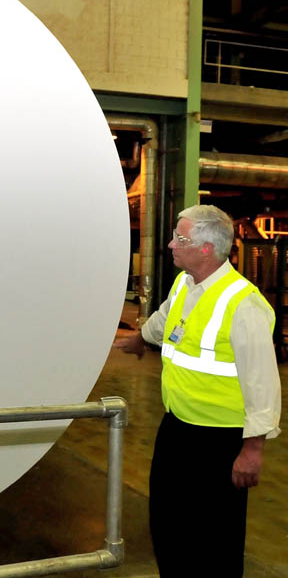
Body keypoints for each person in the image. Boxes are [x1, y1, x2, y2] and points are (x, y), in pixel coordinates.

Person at [114, 204, 282, 578]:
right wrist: (139, 339)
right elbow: (164, 322)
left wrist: (252, 450)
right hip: (177, 427)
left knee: (215, 541)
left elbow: (263, 383)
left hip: (221, 442)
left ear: (206, 248)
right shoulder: (184, 283)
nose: (171, 244)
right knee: (169, 524)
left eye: (180, 238)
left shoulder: (243, 303)